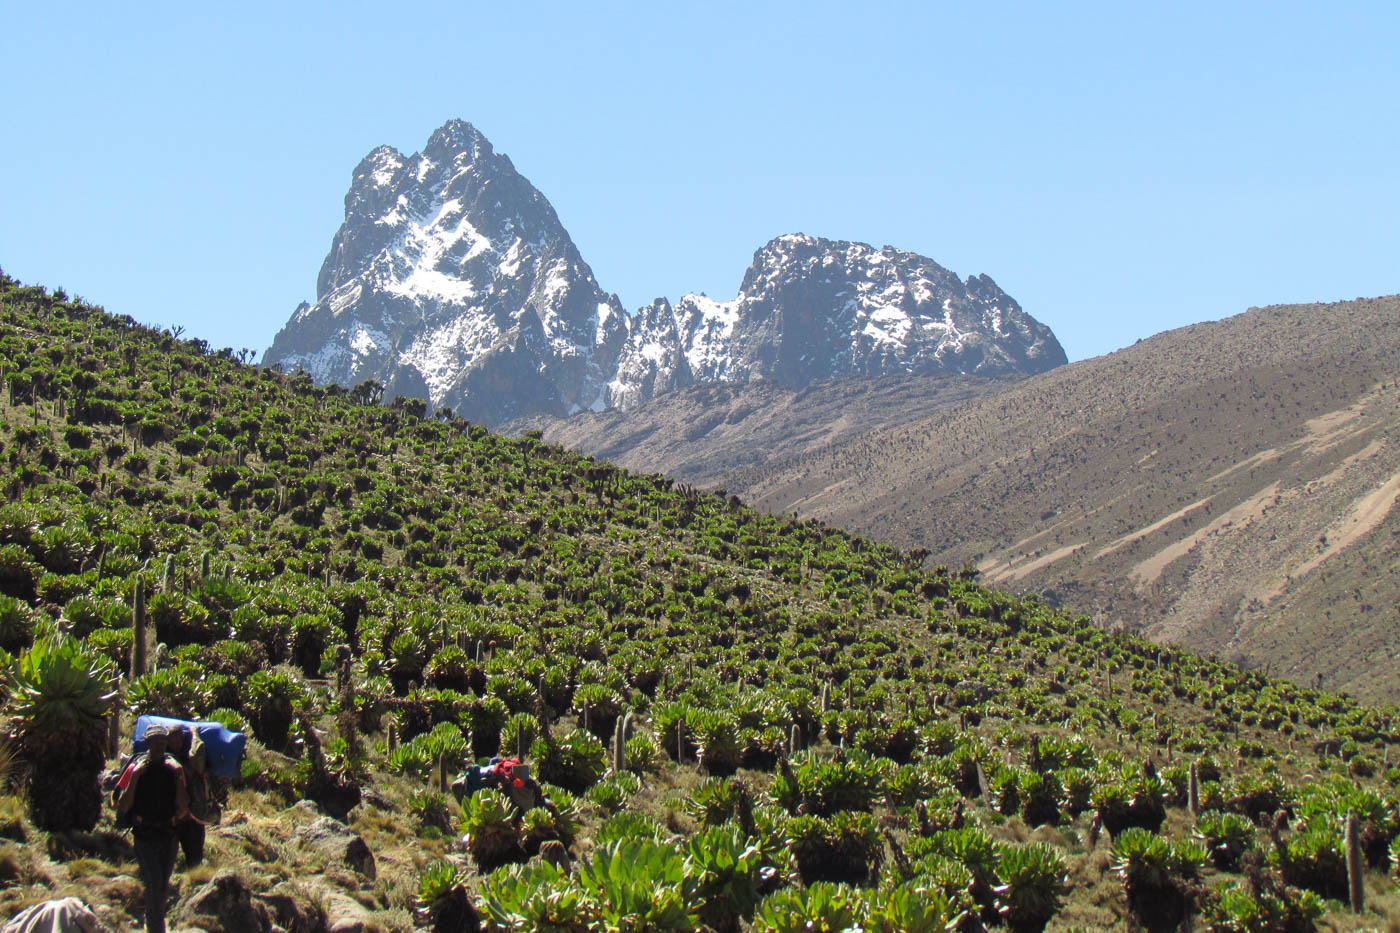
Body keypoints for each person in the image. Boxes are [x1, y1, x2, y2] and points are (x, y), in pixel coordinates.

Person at [114, 724, 189, 933]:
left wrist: (178, 778)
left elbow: (184, 805)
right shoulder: (135, 769)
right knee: (154, 883)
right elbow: (123, 805)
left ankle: (155, 924)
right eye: (156, 741)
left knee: (162, 885)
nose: (160, 745)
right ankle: (156, 928)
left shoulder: (175, 769)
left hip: (168, 835)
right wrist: (136, 777)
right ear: (148, 743)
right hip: (144, 836)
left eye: (163, 742)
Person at [167, 724, 210, 866]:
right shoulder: (164, 758)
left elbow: (202, 768)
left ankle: (195, 873)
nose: (175, 744)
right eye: (172, 741)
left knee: (194, 852)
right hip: (171, 813)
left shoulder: (192, 755)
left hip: (192, 813)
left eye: (177, 741)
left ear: (183, 739)